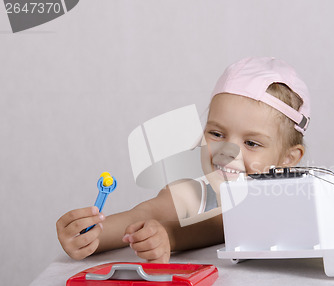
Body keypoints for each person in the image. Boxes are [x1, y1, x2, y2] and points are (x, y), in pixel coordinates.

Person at [56, 57, 311, 263]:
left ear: (289, 158)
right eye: (216, 134)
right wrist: (91, 235)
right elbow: (143, 215)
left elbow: (228, 223)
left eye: (251, 143)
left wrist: (172, 235)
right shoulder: (197, 194)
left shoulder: (301, 202)